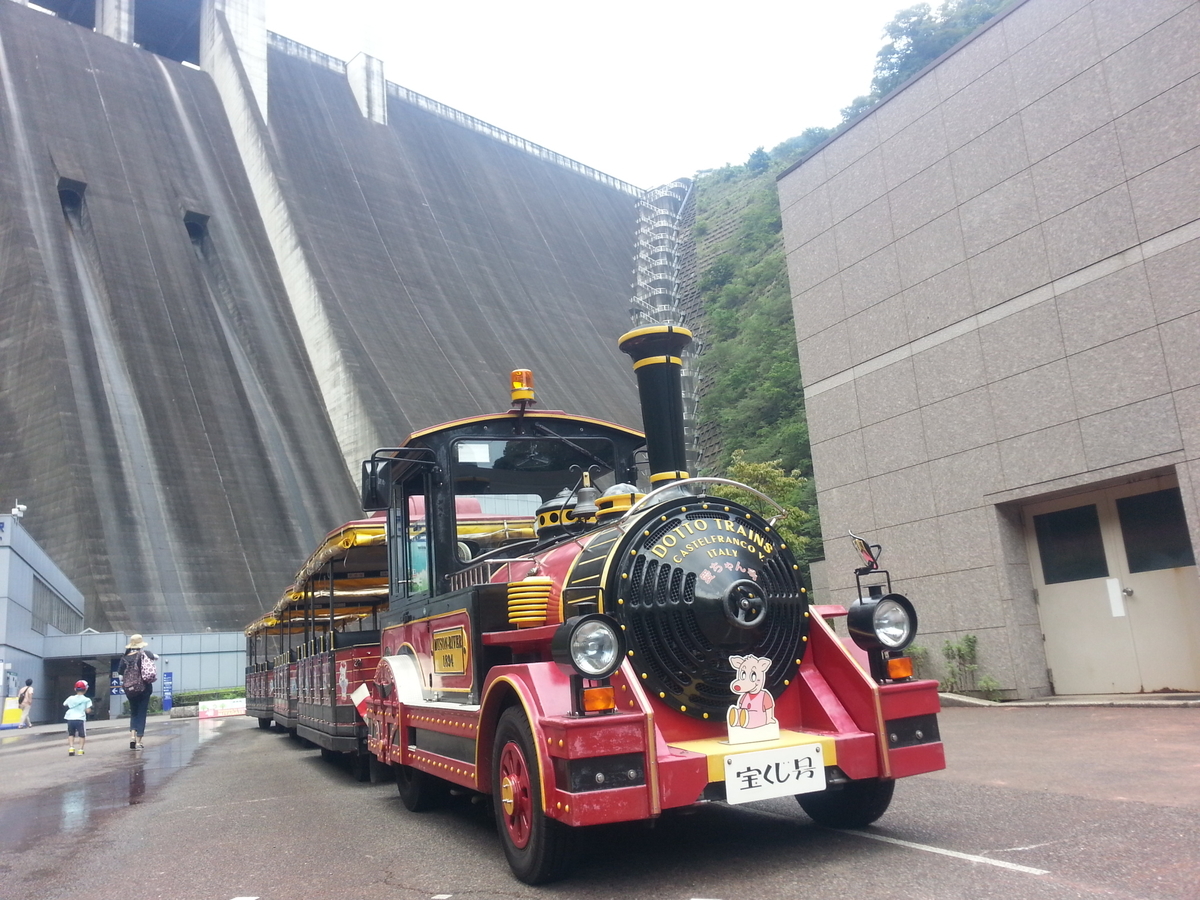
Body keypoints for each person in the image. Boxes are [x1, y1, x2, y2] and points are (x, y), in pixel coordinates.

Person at [118, 634, 158, 750]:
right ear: (140, 644)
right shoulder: (144, 654)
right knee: (141, 713)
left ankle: (132, 736)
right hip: (144, 688)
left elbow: (120, 676)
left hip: (130, 690)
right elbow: (157, 657)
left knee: (134, 713)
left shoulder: (124, 658)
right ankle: (139, 741)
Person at [63, 680, 92, 756]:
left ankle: (71, 748)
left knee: (71, 734)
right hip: (80, 719)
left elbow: (64, 704)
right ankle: (80, 750)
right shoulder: (87, 699)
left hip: (70, 718)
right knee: (82, 735)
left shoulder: (70, 698)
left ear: (75, 689)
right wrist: (86, 709)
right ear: (85, 689)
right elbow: (88, 710)